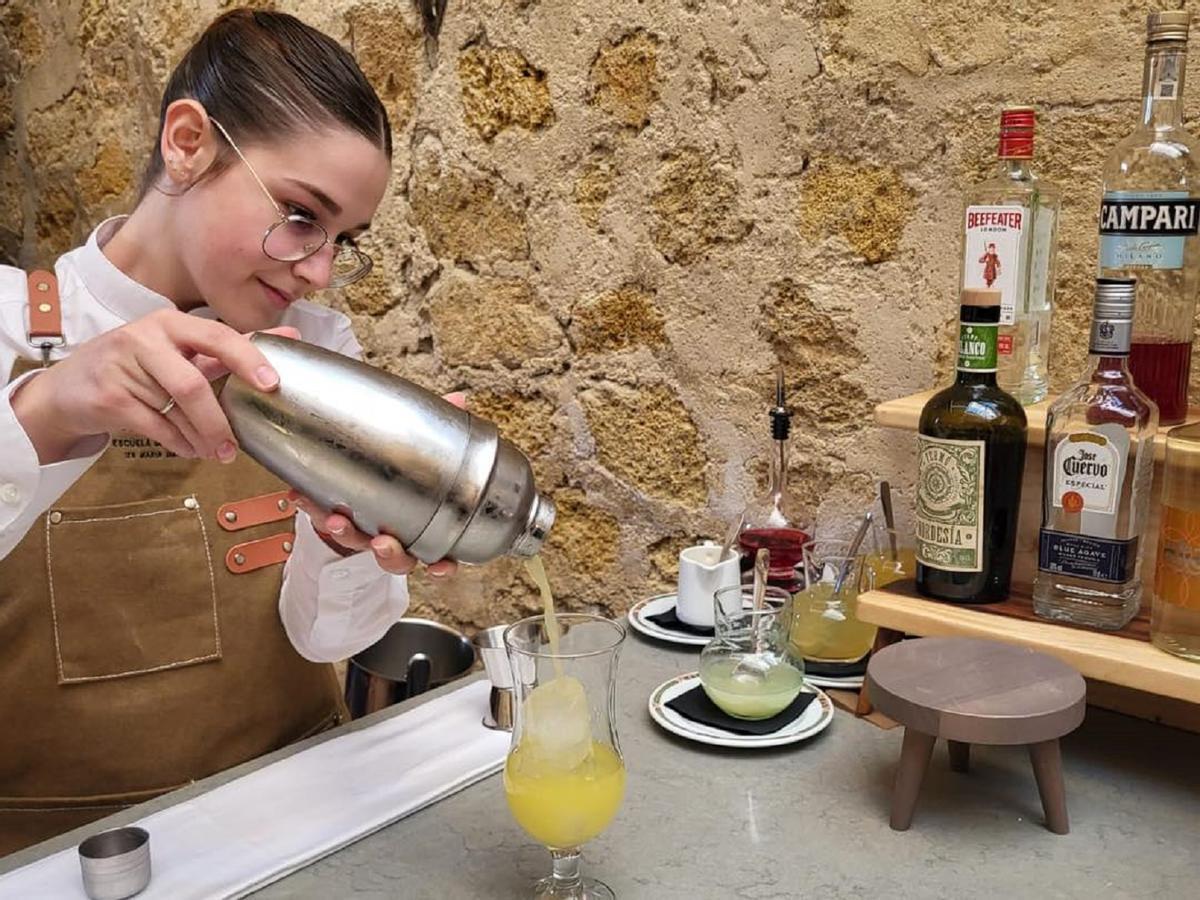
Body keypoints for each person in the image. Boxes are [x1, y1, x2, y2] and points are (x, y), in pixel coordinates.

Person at [0, 8, 456, 854]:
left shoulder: (316, 353)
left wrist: (347, 548)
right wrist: (44, 414)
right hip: (57, 864)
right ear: (187, 143)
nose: (319, 270)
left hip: (291, 833)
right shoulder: (9, 327)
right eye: (301, 214)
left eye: (343, 239)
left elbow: (329, 640)